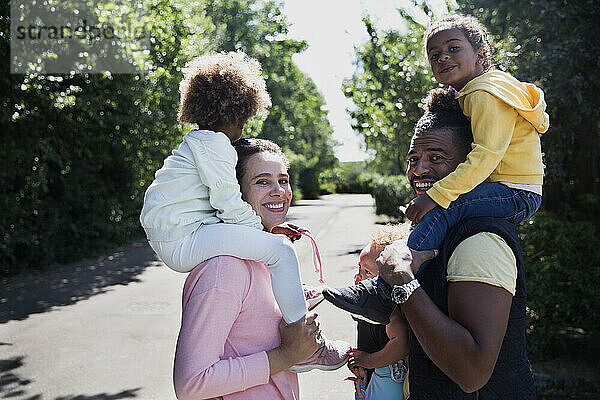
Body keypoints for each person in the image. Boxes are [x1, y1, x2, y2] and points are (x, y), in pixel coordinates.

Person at [325, 14, 549, 323]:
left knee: (445, 206)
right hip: (511, 189)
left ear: (481, 53)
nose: (443, 56)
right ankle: (401, 271)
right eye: (435, 55)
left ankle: (382, 291)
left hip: (514, 192)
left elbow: (484, 155)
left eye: (453, 48)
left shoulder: (485, 93)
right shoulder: (482, 91)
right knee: (445, 208)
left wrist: (436, 195)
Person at [140, 51, 347, 369]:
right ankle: (304, 341)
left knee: (271, 250)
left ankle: (287, 299)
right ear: (236, 112)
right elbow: (227, 200)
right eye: (243, 120)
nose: (243, 127)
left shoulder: (196, 143)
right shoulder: (216, 145)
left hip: (179, 236)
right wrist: (264, 232)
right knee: (280, 251)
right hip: (184, 240)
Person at [375, 90, 535, 398]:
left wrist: (403, 283)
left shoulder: (479, 241)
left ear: (471, 166)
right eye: (413, 159)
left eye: (436, 158)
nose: (418, 170)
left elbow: (472, 373)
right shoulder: (441, 226)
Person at [173, 138, 350, 400]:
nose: (279, 191)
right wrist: (286, 355)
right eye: (263, 181)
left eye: (284, 180)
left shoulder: (267, 256)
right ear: (234, 193)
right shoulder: (225, 268)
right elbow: (191, 383)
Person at [344, 225, 409, 400]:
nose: (359, 275)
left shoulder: (389, 309)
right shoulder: (371, 302)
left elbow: (402, 343)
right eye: (359, 267)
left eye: (367, 271)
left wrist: (368, 360)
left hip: (387, 378)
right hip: (371, 375)